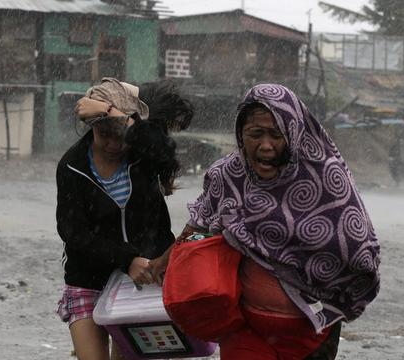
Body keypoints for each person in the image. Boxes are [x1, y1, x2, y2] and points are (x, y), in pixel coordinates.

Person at [183, 84, 380, 359]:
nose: (265, 145)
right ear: (240, 134)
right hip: (245, 328)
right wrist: (164, 262)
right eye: (255, 134)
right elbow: (198, 226)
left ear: (294, 132)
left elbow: (359, 252)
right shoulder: (227, 175)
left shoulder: (326, 178)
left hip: (312, 332)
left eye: (276, 134)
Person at [56, 78, 193, 360]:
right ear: (91, 127)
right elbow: (73, 232)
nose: (112, 143)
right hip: (88, 279)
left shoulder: (145, 155)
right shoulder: (72, 166)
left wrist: (117, 116)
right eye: (103, 132)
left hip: (142, 281)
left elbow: (166, 152)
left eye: (120, 134)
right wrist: (126, 259)